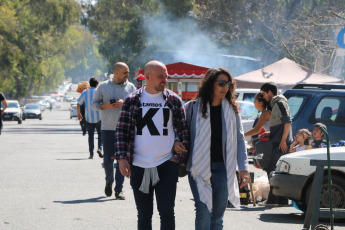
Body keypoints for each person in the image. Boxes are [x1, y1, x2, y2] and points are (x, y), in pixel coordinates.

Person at [113, 60, 189, 230]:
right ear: (147, 77)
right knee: (144, 214)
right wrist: (121, 159)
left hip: (166, 164)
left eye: (166, 76)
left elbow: (183, 130)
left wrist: (176, 159)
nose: (164, 79)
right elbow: (121, 131)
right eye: (160, 76)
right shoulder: (132, 100)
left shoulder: (174, 100)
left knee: (167, 212)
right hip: (139, 165)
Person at [185, 68, 249, 229]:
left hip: (223, 169)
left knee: (217, 217)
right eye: (221, 83)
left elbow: (240, 140)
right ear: (210, 84)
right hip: (198, 169)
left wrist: (243, 168)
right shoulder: (192, 108)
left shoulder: (232, 111)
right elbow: (181, 132)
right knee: (203, 211)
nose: (225, 87)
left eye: (228, 84)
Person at [92, 62, 136, 200]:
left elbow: (137, 105)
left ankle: (119, 189)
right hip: (107, 129)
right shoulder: (103, 86)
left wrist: (125, 104)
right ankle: (109, 181)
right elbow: (93, 105)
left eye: (128, 72)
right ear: (116, 72)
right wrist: (104, 106)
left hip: (125, 129)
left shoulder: (131, 87)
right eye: (125, 72)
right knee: (108, 159)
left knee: (122, 159)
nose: (127, 75)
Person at [260, 82, 293, 206]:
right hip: (278, 141)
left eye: (264, 93)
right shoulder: (276, 104)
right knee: (277, 171)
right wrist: (270, 133)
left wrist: (283, 140)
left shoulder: (279, 102)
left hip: (281, 144)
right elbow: (280, 123)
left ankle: (273, 199)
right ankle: (282, 200)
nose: (263, 97)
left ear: (269, 92)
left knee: (272, 170)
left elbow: (287, 122)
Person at [77, 77, 103, 159]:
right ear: (97, 84)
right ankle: (100, 148)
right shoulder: (99, 92)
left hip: (88, 118)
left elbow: (78, 103)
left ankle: (91, 154)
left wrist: (79, 113)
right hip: (99, 117)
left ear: (90, 83)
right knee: (100, 134)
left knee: (90, 136)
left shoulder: (85, 92)